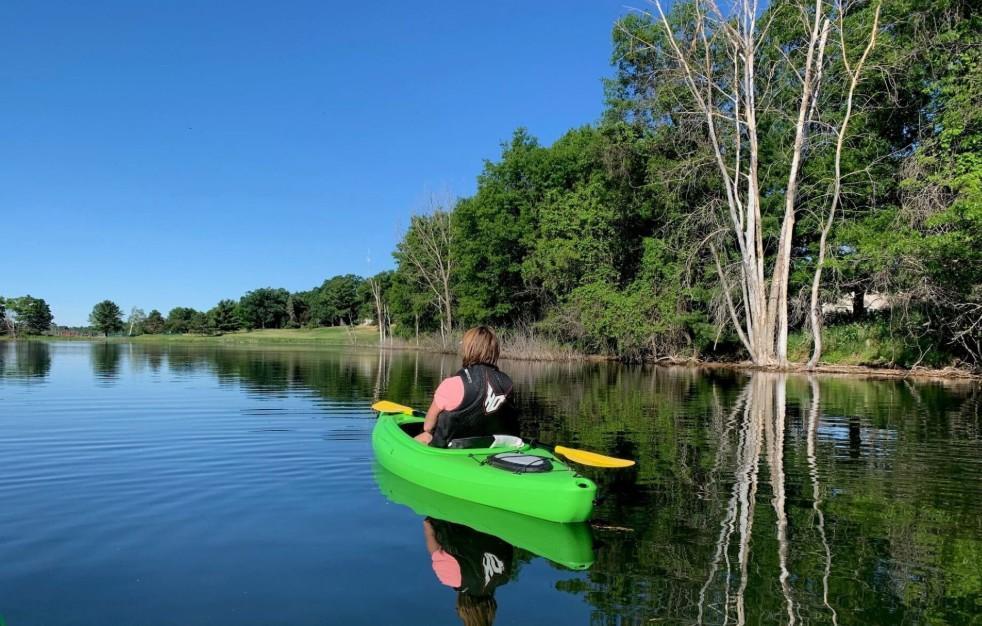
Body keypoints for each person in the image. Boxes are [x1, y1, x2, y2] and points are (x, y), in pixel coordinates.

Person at [415, 326, 514, 448]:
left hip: (451, 449)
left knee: (425, 435)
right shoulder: (507, 383)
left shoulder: (452, 384)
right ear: (495, 350)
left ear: (468, 349)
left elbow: (428, 426)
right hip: (492, 448)